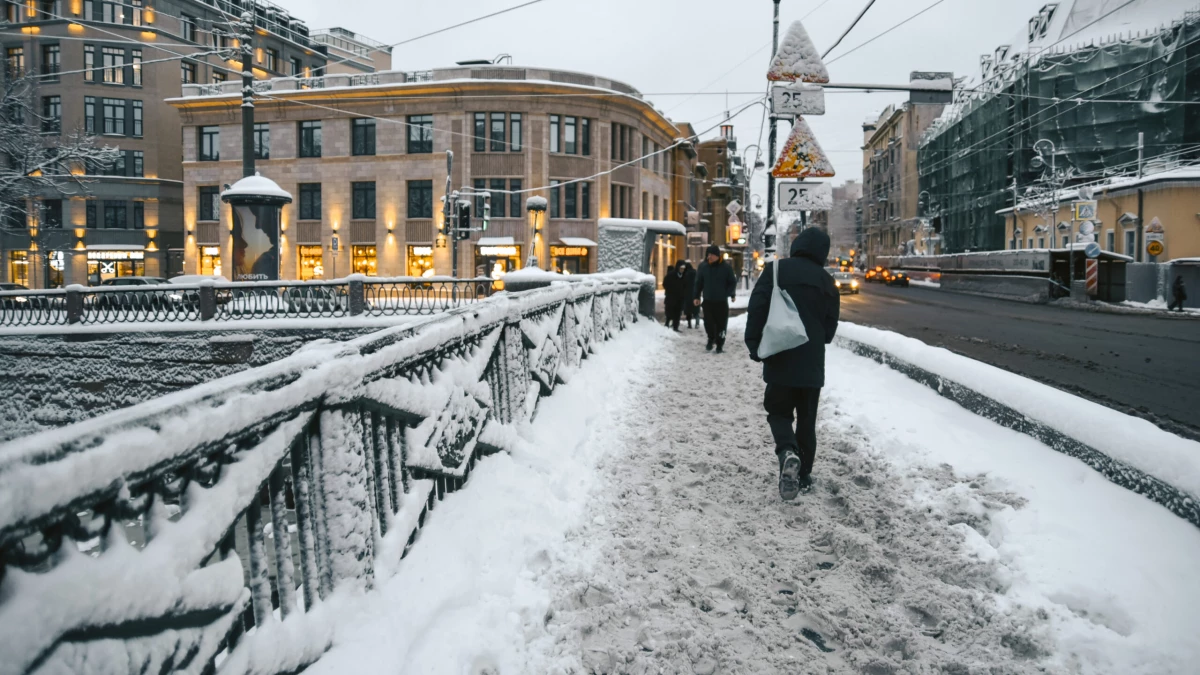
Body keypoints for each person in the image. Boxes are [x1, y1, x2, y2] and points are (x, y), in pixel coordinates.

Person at [744, 228, 840, 501]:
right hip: (811, 363)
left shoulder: (775, 270)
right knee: (807, 421)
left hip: (780, 354)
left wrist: (755, 346)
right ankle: (805, 475)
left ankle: (787, 451)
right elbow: (830, 330)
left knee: (778, 411)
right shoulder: (827, 282)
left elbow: (757, 308)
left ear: (797, 245)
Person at [693, 245, 737, 353]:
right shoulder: (703, 267)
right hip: (708, 300)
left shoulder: (726, 267)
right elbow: (698, 283)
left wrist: (730, 294)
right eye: (708, 254)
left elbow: (732, 282)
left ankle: (720, 344)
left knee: (721, 324)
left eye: (712, 255)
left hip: (721, 301)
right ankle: (711, 338)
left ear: (717, 255)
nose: (710, 257)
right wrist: (696, 296)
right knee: (708, 322)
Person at [662, 260, 690, 331]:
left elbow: (686, 286)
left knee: (678, 313)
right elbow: (665, 283)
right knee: (669, 311)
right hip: (671, 297)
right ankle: (667, 324)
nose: (682, 270)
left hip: (680, 298)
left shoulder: (684, 276)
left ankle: (675, 327)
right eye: (681, 268)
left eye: (683, 269)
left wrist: (684, 293)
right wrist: (670, 290)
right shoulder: (671, 275)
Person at [680, 260, 698, 328]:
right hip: (695, 293)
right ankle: (697, 323)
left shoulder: (685, 274)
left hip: (687, 294)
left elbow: (683, 283)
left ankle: (689, 324)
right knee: (695, 310)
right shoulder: (695, 272)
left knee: (688, 310)